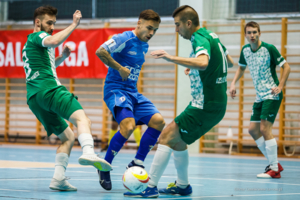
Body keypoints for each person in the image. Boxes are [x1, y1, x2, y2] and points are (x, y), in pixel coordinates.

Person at [124, 5, 235, 198]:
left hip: (204, 105)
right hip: (213, 104)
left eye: (178, 25)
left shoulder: (198, 38)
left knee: (166, 135)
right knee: (178, 142)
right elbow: (228, 61)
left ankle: (150, 187)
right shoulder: (212, 36)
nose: (176, 30)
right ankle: (183, 186)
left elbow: (203, 62)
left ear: (188, 23)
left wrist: (171, 57)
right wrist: (194, 71)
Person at [22, 5, 111, 191]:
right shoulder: (38, 36)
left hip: (34, 98)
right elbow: (54, 40)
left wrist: (62, 57)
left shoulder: (29, 44)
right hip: (49, 90)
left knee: (68, 137)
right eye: (49, 23)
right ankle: (89, 152)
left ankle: (58, 179)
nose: (52, 26)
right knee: (82, 119)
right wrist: (73, 25)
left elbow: (48, 66)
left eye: (54, 23)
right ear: (37, 22)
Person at [95, 9, 165, 191]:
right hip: (115, 90)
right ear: (139, 23)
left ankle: (137, 161)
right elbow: (100, 51)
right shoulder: (123, 38)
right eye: (149, 28)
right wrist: (119, 68)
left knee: (158, 121)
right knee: (128, 125)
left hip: (132, 93)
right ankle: (104, 165)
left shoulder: (144, 45)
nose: (151, 33)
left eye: (155, 30)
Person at [230, 21, 290, 178]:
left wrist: (281, 86)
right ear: (245, 35)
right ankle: (273, 162)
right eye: (249, 32)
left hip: (272, 94)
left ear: (259, 33)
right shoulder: (245, 51)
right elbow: (241, 67)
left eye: (255, 32)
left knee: (264, 129)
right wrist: (233, 83)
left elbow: (287, 67)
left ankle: (274, 169)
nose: (252, 35)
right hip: (260, 96)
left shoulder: (269, 49)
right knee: (252, 130)